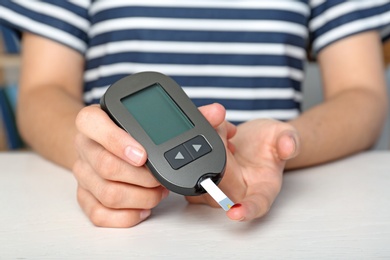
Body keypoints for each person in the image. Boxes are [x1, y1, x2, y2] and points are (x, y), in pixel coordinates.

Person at [0, 1, 389, 227]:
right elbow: (42, 92)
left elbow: (362, 94)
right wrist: (96, 156)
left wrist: (285, 144)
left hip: (288, 212)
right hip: (129, 218)